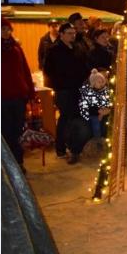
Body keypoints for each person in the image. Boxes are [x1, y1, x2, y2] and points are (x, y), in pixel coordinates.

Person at [43, 22, 89, 164]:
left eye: (73, 33)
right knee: (65, 119)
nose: (72, 36)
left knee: (76, 118)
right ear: (61, 34)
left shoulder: (77, 48)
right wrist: (59, 83)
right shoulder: (54, 50)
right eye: (69, 33)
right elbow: (48, 70)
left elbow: (83, 65)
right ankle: (61, 148)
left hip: (78, 88)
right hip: (64, 90)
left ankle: (74, 148)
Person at [1, 18, 35, 172]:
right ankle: (8, 164)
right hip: (2, 97)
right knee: (5, 130)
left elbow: (25, 69)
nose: (6, 32)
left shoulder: (16, 47)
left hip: (19, 95)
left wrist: (30, 92)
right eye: (3, 29)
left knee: (18, 130)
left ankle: (19, 161)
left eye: (8, 29)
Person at [78, 69, 112, 141]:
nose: (103, 82)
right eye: (100, 81)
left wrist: (107, 109)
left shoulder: (105, 90)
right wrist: (99, 112)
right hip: (91, 115)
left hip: (101, 113)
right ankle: (97, 139)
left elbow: (107, 102)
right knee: (96, 126)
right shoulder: (89, 91)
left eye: (105, 78)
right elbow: (87, 106)